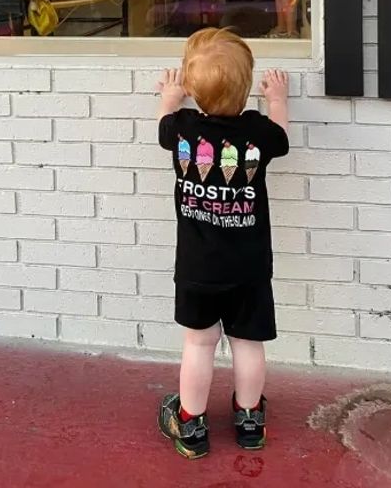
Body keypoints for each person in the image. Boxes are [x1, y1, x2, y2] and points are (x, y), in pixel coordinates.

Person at [156, 28, 289, 459]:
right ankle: (249, 420)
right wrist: (277, 101)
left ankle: (191, 424)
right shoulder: (257, 132)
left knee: (199, 343)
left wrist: (170, 97)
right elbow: (281, 137)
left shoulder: (181, 130)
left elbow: (163, 123)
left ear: (194, 90)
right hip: (248, 266)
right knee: (248, 342)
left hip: (197, 267)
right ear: (246, 87)